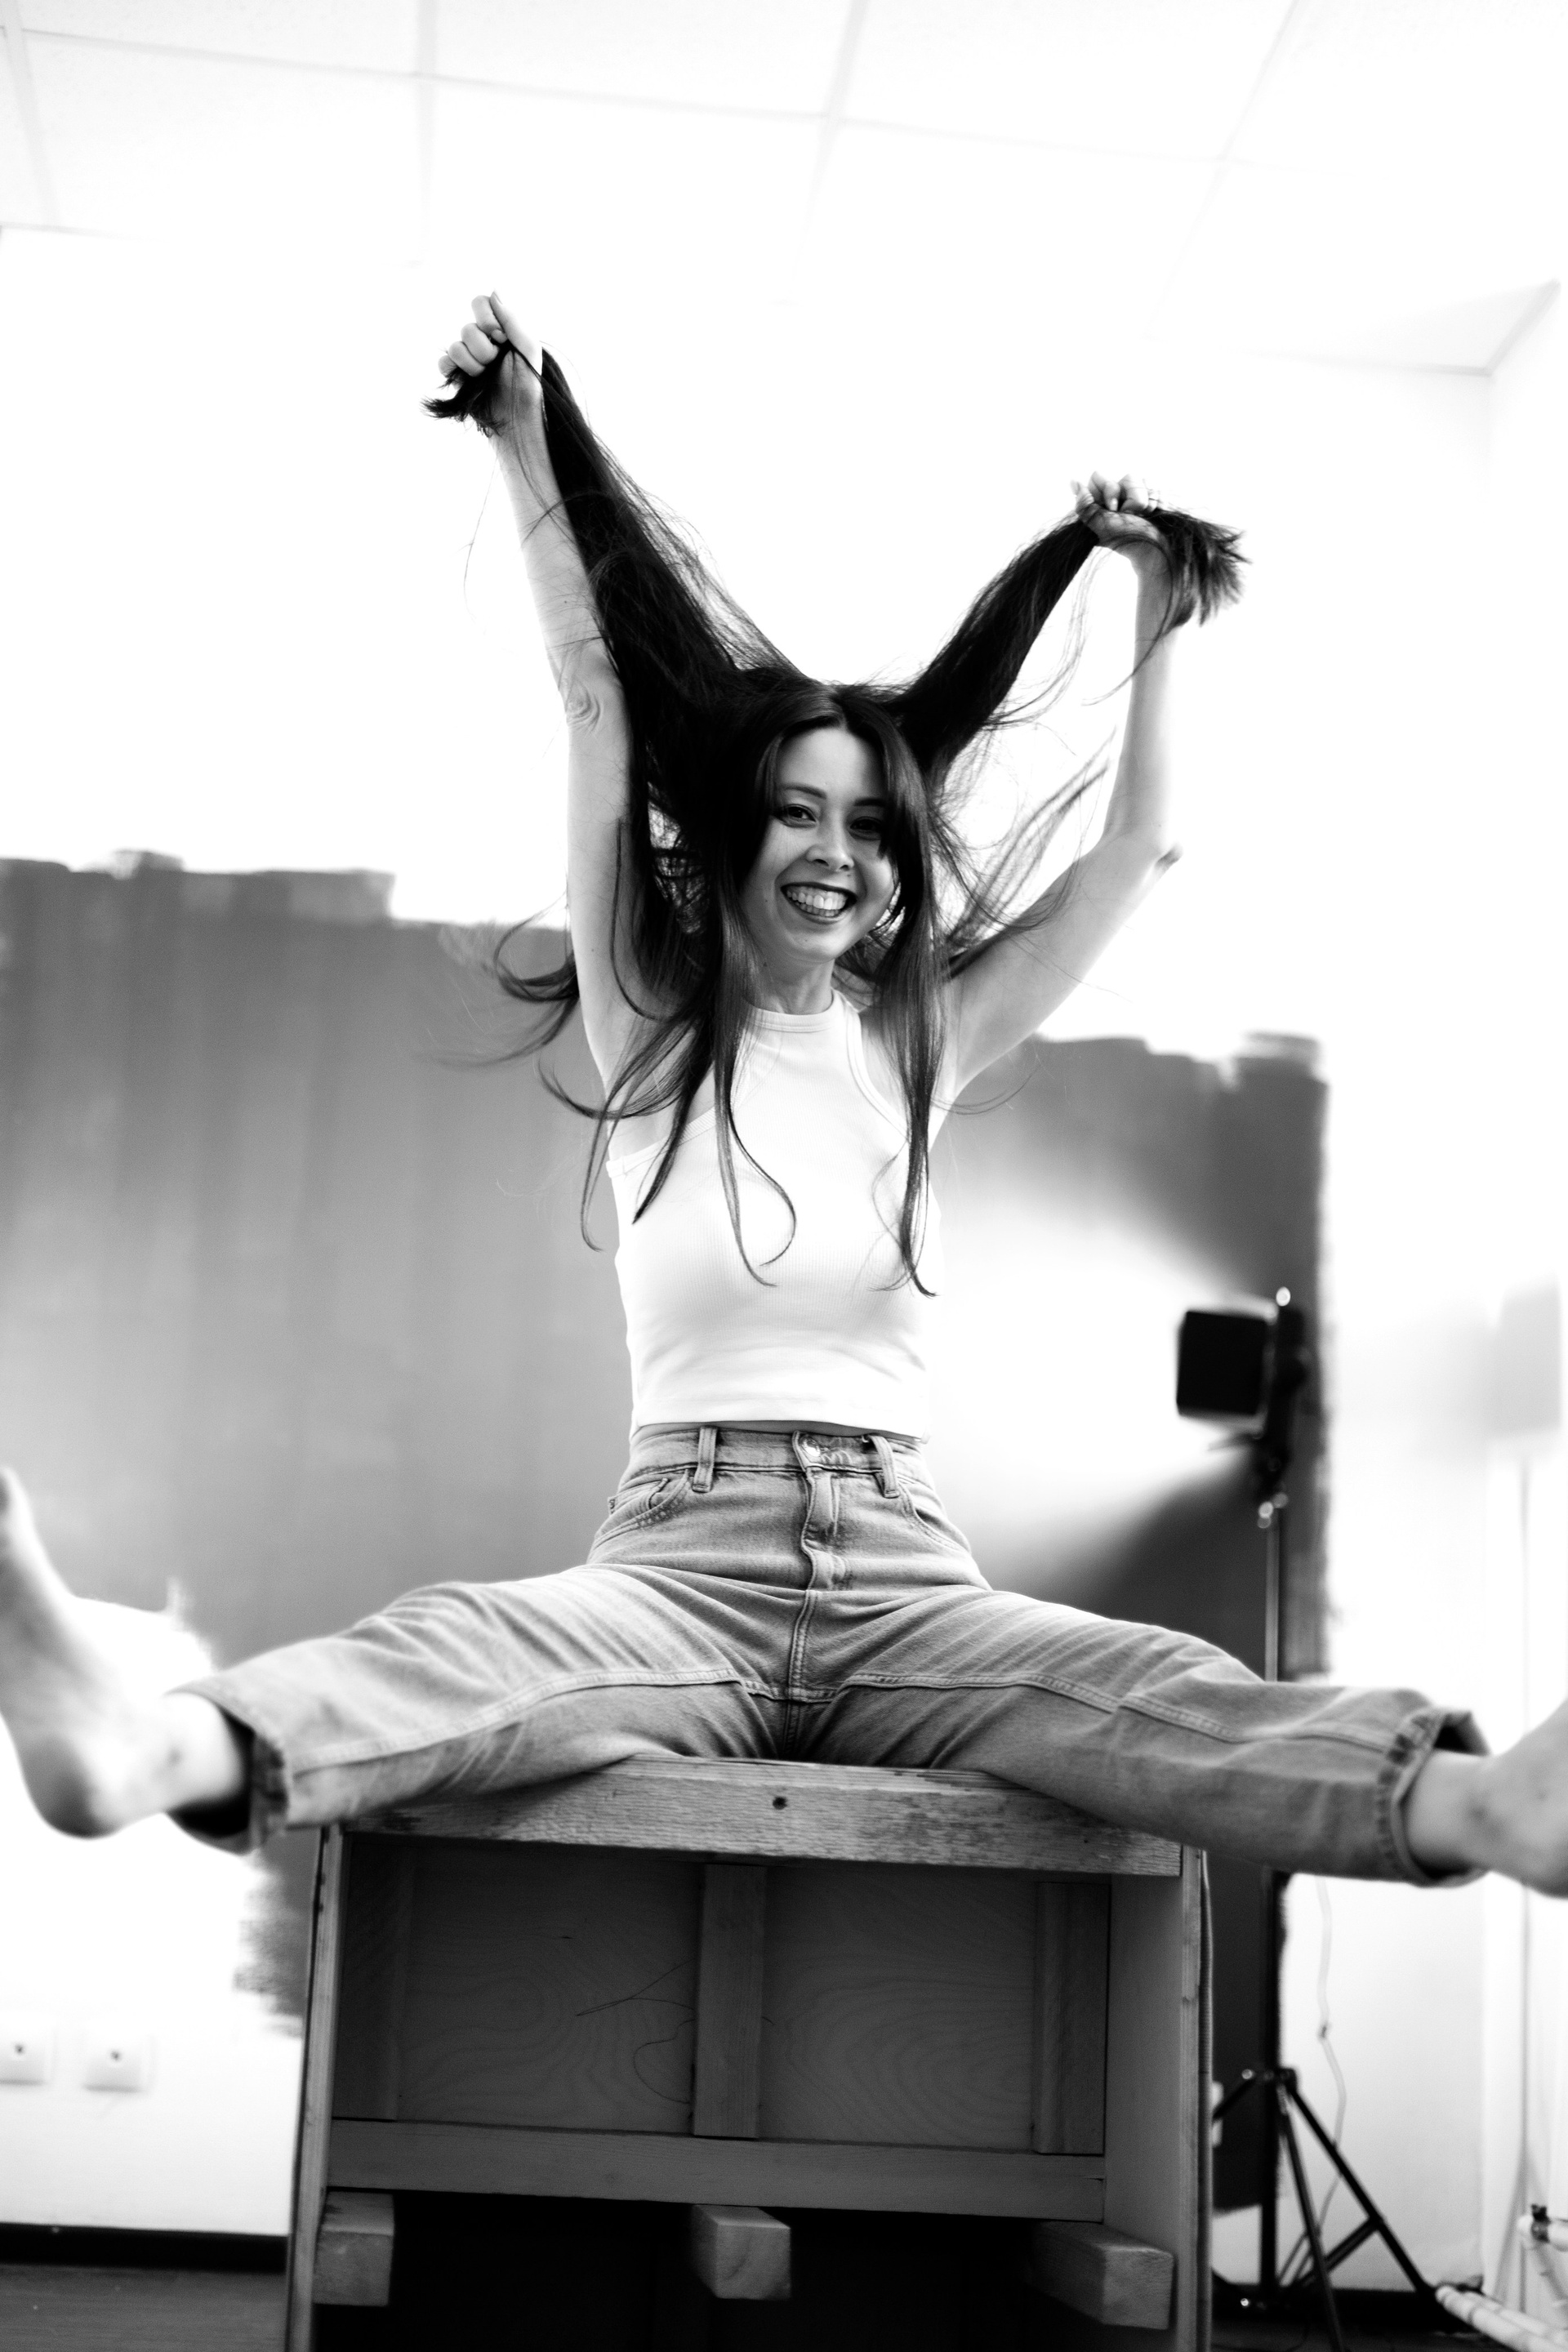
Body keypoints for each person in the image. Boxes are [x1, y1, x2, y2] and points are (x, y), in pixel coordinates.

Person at [2, 293, 1566, 1900]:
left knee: (1151, 1691)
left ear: (897, 872)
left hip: (910, 1587)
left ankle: (1489, 1809)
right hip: (680, 1571)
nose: (837, 851)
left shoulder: (923, 1044)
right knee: (468, 1651)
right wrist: (526, 442)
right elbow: (597, 698)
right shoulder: (655, 1023)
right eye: (799, 814)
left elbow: (1137, 850)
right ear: (738, 836)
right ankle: (139, 1752)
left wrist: (1165, 616)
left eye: (872, 827)